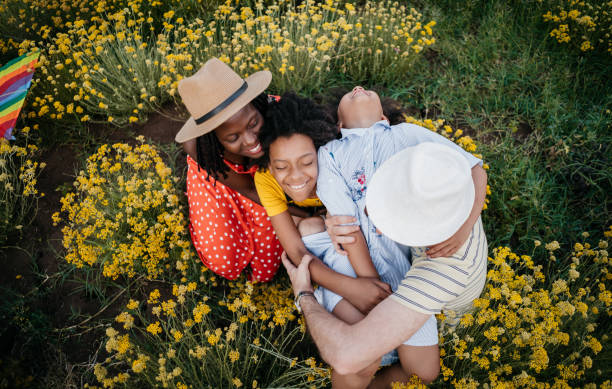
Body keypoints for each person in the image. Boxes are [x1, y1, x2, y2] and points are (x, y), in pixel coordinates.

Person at [282, 86, 488, 387]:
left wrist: (465, 227)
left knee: (425, 373)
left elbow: (473, 166)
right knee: (358, 363)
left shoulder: (406, 134)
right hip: (354, 264)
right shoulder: (332, 152)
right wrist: (369, 284)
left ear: (383, 117)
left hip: (408, 273)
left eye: (367, 90)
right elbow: (347, 226)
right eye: (350, 94)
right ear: (338, 125)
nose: (358, 88)